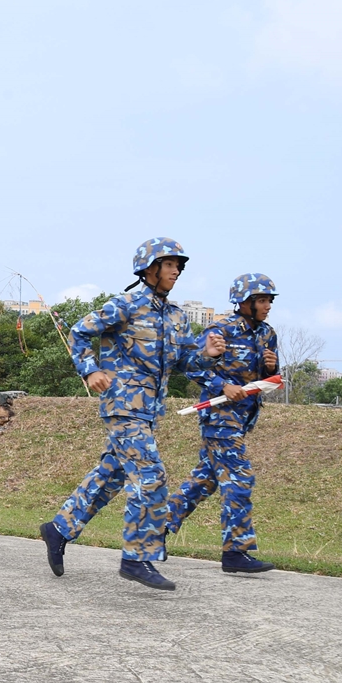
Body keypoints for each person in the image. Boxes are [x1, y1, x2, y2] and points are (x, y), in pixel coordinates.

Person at [39, 238, 226, 590]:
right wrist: (90, 370)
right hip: (122, 405)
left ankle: (58, 528)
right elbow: (79, 332)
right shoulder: (125, 305)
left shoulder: (177, 317)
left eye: (179, 266)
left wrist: (207, 354)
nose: (176, 271)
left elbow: (186, 364)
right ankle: (136, 557)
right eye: (169, 264)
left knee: (111, 475)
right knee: (151, 475)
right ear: (149, 269)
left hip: (149, 412)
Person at [166, 274, 281, 575]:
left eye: (270, 300)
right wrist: (222, 386)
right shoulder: (220, 330)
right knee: (240, 478)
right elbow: (191, 366)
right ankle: (235, 552)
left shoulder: (267, 334)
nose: (268, 305)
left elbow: (270, 380)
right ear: (244, 302)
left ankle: (152, 532)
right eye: (262, 300)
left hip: (243, 418)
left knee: (204, 480)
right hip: (219, 418)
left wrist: (271, 368)